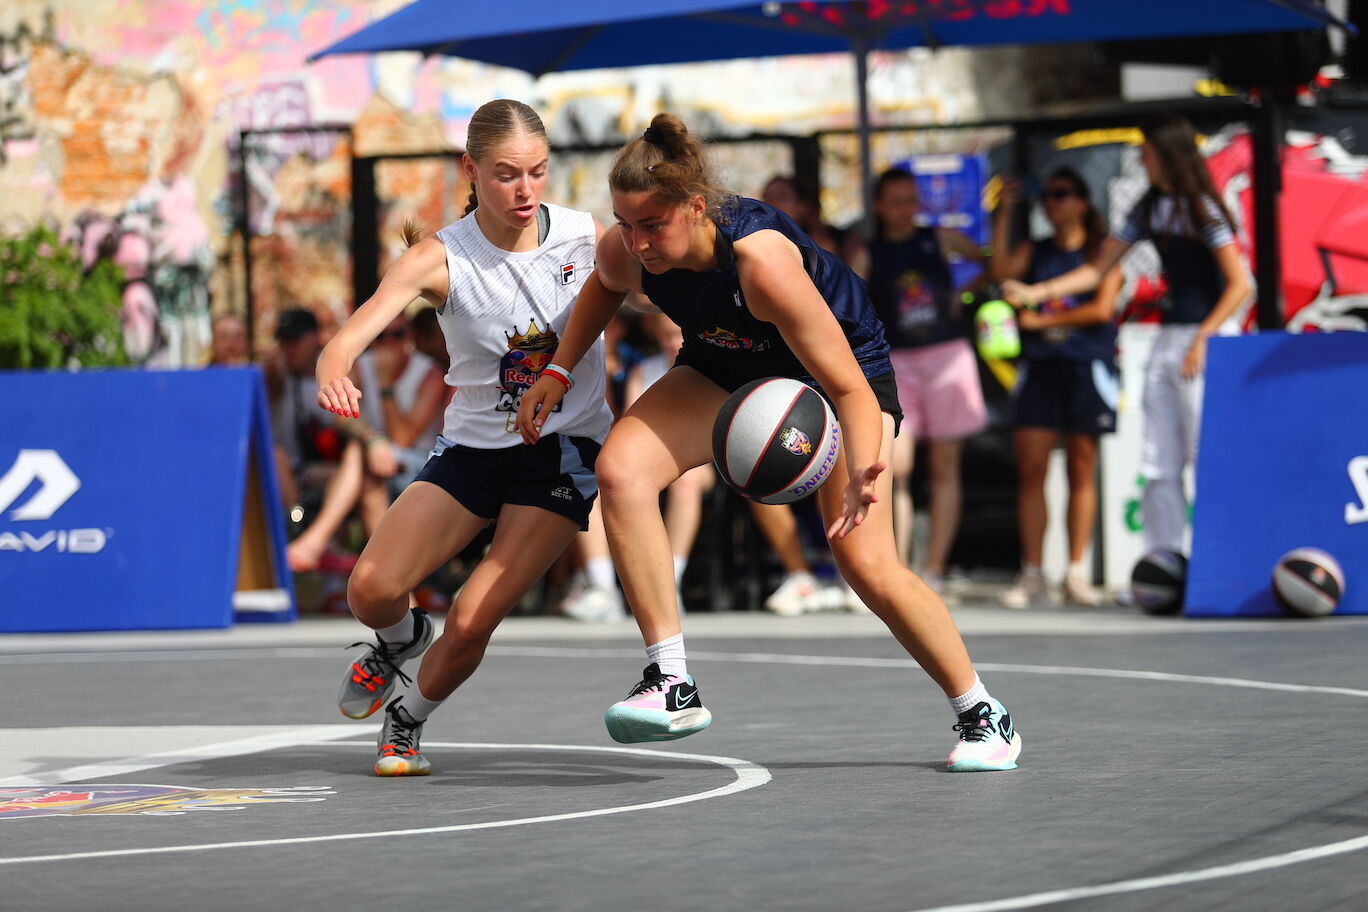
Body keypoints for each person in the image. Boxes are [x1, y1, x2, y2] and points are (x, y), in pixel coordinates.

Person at [516, 113, 1021, 772]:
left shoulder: (761, 262)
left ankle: (983, 713)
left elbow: (851, 386)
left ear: (696, 208)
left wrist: (869, 463)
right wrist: (556, 370)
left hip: (836, 377)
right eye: (627, 224)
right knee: (622, 469)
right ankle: (671, 681)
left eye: (653, 226)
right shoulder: (627, 249)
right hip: (725, 363)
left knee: (866, 565)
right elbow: (603, 289)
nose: (638, 242)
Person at [316, 99, 612, 776]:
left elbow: (653, 285)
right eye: (507, 173)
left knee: (475, 615)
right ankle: (400, 639)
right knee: (370, 590)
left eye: (538, 171)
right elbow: (351, 335)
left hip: (564, 451)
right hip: (475, 449)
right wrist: (334, 365)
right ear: (470, 170)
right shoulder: (441, 257)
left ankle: (407, 719)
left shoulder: (584, 238)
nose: (525, 189)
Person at [1004, 115, 1251, 560]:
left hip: (1206, 336)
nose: (1141, 158)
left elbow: (1239, 285)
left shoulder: (1203, 208)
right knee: (1158, 454)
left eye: (1147, 152)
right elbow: (1097, 268)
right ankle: (1164, 558)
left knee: (1205, 450)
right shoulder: (1149, 205)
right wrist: (1037, 292)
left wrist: (1204, 338)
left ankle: (1223, 556)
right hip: (1169, 338)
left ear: (1168, 156)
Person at [848, 167, 988, 594]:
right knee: (896, 466)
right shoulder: (868, 252)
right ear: (878, 206)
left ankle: (933, 568)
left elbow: (984, 260)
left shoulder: (938, 238)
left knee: (946, 466)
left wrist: (961, 296)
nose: (907, 209)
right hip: (899, 363)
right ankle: (897, 565)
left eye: (911, 199)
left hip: (946, 355)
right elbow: (851, 302)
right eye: (897, 201)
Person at [992, 168, 1123, 608]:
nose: (1052, 203)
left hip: (1086, 366)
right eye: (1046, 196)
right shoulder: (1038, 250)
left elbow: (1102, 308)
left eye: (1062, 194)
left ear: (1083, 201)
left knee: (1081, 469)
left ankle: (1075, 571)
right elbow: (1000, 271)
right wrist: (1006, 209)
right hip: (1041, 368)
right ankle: (1033, 572)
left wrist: (1043, 318)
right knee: (1031, 469)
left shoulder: (1102, 252)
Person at [267, 307, 399, 573]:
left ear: (316, 338)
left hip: (333, 468)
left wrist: (372, 440)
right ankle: (305, 535)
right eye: (283, 341)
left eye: (294, 340)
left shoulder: (335, 371)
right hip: (295, 472)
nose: (288, 348)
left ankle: (320, 545)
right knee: (278, 457)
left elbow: (345, 418)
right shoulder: (277, 374)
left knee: (353, 464)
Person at [355, 310, 447, 496]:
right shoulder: (360, 366)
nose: (389, 342)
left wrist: (386, 384)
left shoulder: (431, 373)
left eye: (397, 334)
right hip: (376, 455)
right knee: (357, 453)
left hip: (421, 461)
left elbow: (402, 439)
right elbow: (341, 418)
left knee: (364, 461)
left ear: (410, 336)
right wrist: (373, 439)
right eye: (381, 335)